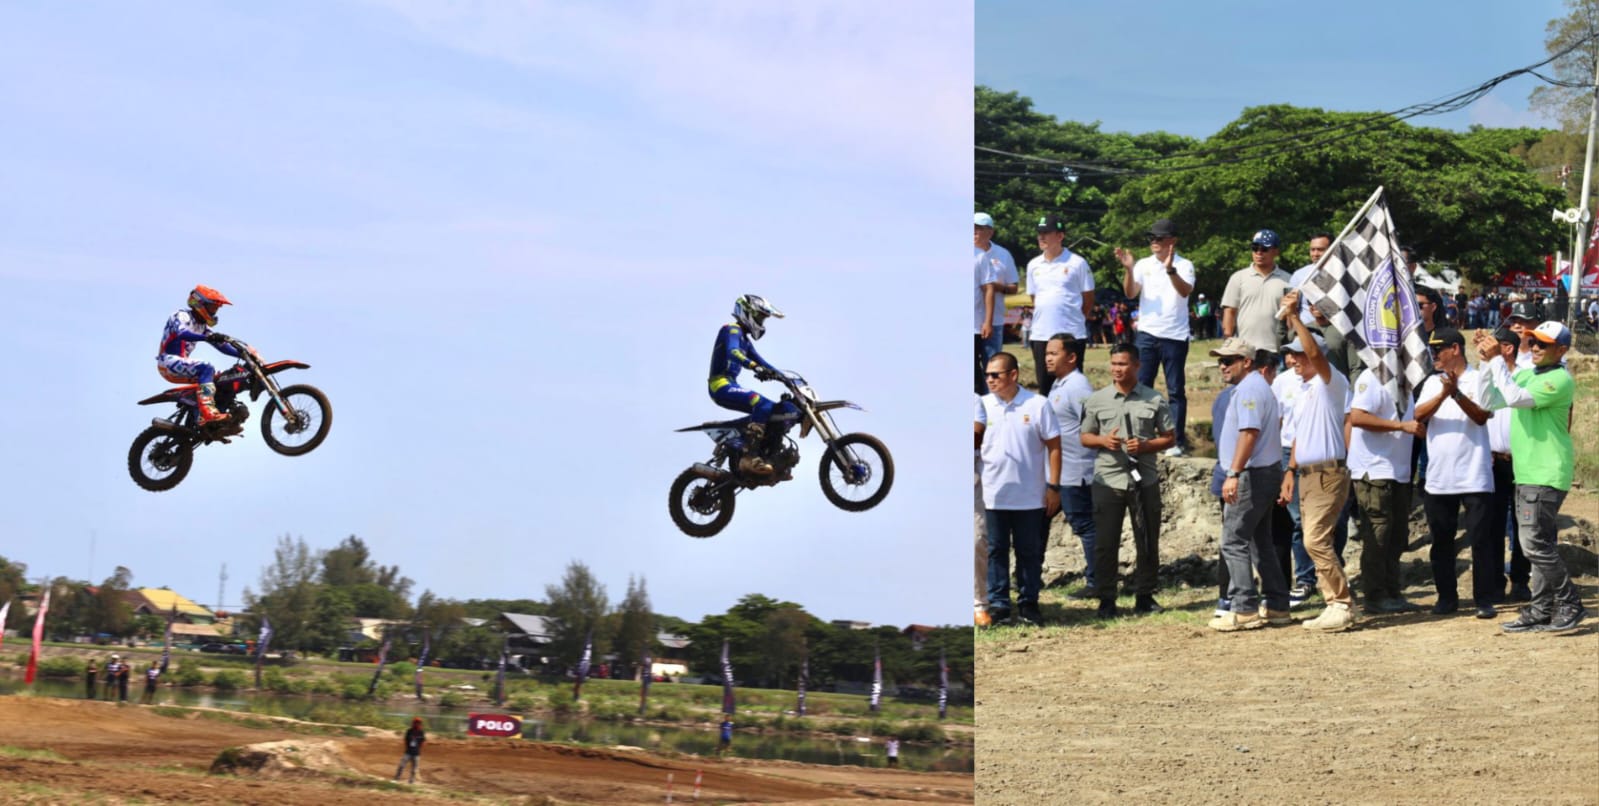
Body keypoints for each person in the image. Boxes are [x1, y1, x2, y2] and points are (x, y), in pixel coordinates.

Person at [1476, 322, 1587, 633]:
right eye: (1533, 342)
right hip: (1530, 473)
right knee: (1537, 543)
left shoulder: (1558, 379)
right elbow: (1487, 402)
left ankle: (1569, 602)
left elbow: (1513, 398)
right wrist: (1487, 363)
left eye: (1544, 344)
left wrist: (1497, 359)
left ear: (1561, 350)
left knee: (1534, 543)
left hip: (1545, 472)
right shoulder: (1531, 375)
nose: (1535, 348)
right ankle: (1541, 608)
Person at [1278, 292, 1356, 632]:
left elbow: (1313, 351)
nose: (1293, 361)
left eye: (1297, 355)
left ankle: (1341, 602)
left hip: (1327, 473)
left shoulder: (1331, 382)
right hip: (1308, 474)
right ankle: (1332, 603)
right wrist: (1291, 470)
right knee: (1313, 540)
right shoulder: (1307, 389)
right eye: (1291, 356)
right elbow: (1297, 435)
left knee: (1314, 540)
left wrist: (1294, 317)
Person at [1080, 344, 1176, 618]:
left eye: (1122, 364)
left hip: (1143, 480)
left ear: (1136, 366)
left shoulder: (1153, 399)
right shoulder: (1097, 400)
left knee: (1146, 540)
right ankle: (1106, 599)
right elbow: (1085, 436)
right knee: (1105, 543)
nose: (1117, 369)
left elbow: (1170, 438)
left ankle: (1145, 595)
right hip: (1107, 479)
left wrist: (1145, 446)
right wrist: (1103, 440)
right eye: (1113, 364)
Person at [1413, 328, 1496, 618]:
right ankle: (1446, 598)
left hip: (1475, 475)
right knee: (1441, 542)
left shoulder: (1479, 377)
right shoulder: (1432, 382)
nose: (1434, 354)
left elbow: (1482, 416)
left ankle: (1484, 600)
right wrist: (1443, 394)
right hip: (1439, 477)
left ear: (1456, 349)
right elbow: (1418, 415)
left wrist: (1456, 394)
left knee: (1481, 542)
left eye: (1439, 349)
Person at [1208, 339, 1291, 631]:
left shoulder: (1249, 391)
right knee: (1260, 542)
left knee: (1233, 541)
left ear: (1246, 361)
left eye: (1229, 360)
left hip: (1251, 474)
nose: (1222, 366)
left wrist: (1233, 472)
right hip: (1263, 472)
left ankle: (1243, 607)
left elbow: (1248, 434)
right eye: (1221, 360)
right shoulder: (1256, 387)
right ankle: (1278, 604)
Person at [975, 352, 1062, 626]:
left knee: (1029, 552)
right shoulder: (982, 406)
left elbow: (1055, 447)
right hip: (992, 495)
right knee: (996, 551)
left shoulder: (1038, 405)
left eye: (995, 375)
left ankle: (1028, 604)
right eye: (987, 375)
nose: (989, 380)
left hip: (1030, 496)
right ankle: (999, 605)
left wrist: (1054, 486)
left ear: (1013, 375)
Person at [1347, 357, 1424, 614]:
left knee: (1396, 536)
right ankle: (1374, 595)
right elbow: (1356, 417)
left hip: (1398, 471)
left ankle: (1392, 591)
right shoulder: (1371, 378)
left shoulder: (1406, 384)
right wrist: (1400, 426)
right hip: (1374, 470)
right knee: (1377, 536)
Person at [1115, 217, 1196, 456]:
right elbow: (1130, 293)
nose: (1154, 242)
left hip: (1175, 335)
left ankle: (1175, 441)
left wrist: (1170, 270)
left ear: (1173, 241)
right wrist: (1129, 269)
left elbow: (1185, 291)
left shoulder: (1184, 264)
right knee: (1141, 386)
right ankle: (1142, 438)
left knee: (1175, 390)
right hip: (1148, 333)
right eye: (1151, 238)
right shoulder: (1143, 264)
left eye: (1159, 238)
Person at [707, 294, 797, 476]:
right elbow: (733, 353)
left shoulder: (745, 341)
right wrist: (754, 367)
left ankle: (763, 450)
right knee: (761, 403)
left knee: (772, 409)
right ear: (746, 313)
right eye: (759, 317)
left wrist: (786, 379)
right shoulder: (731, 329)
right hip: (720, 384)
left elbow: (762, 361)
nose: (761, 322)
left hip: (730, 383)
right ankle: (749, 457)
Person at [1044, 333, 1097, 596]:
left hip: (1076, 470)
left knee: (1085, 525)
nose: (1048, 358)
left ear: (1072, 357)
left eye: (1054, 353)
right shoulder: (1059, 385)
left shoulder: (1077, 387)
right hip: (1059, 472)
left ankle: (1097, 582)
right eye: (1046, 353)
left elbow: (1092, 424)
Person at [1484, 327, 1532, 604]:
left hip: (1521, 461)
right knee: (1492, 525)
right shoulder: (1488, 375)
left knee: (1522, 523)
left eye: (1495, 345)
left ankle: (1520, 580)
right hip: (1493, 460)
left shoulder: (1525, 377)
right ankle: (1495, 581)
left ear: (1508, 348)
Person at [157, 285, 247, 426]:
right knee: (206, 368)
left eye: (216, 308)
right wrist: (207, 338)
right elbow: (182, 333)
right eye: (212, 307)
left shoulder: (203, 327)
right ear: (200, 303)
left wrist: (243, 354)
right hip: (167, 362)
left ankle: (209, 420)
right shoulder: (181, 315)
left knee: (222, 381)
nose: (214, 311)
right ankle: (208, 413)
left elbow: (222, 346)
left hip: (181, 364)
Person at [1026, 214, 1096, 392]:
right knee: (1045, 388)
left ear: (1060, 236)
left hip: (1071, 334)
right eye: (1039, 233)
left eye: (1046, 233)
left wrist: (1075, 319)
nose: (1041, 237)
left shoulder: (1077, 263)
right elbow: (1035, 299)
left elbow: (1088, 298)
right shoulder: (1033, 265)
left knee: (1072, 388)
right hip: (1041, 334)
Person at [1221, 230, 1292, 358]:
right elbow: (1229, 311)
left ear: (1276, 251)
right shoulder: (1238, 278)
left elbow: (1291, 317)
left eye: (1264, 249)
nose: (1259, 252)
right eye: (1255, 248)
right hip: (1244, 349)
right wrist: (1228, 342)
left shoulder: (1288, 280)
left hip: (1276, 350)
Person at [975, 212, 1019, 361]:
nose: (975, 232)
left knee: (992, 364)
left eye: (979, 228)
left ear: (990, 232)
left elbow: (1014, 287)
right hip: (970, 320)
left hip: (994, 321)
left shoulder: (1003, 255)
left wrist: (996, 287)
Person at [395, 717, 425, 783]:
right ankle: (397, 778)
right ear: (413, 723)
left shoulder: (421, 732)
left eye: (418, 723)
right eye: (416, 722)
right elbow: (406, 740)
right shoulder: (409, 731)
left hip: (416, 753)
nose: (417, 724)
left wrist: (417, 749)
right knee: (401, 765)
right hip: (408, 752)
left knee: (414, 769)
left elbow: (422, 742)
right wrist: (408, 748)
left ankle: (411, 781)